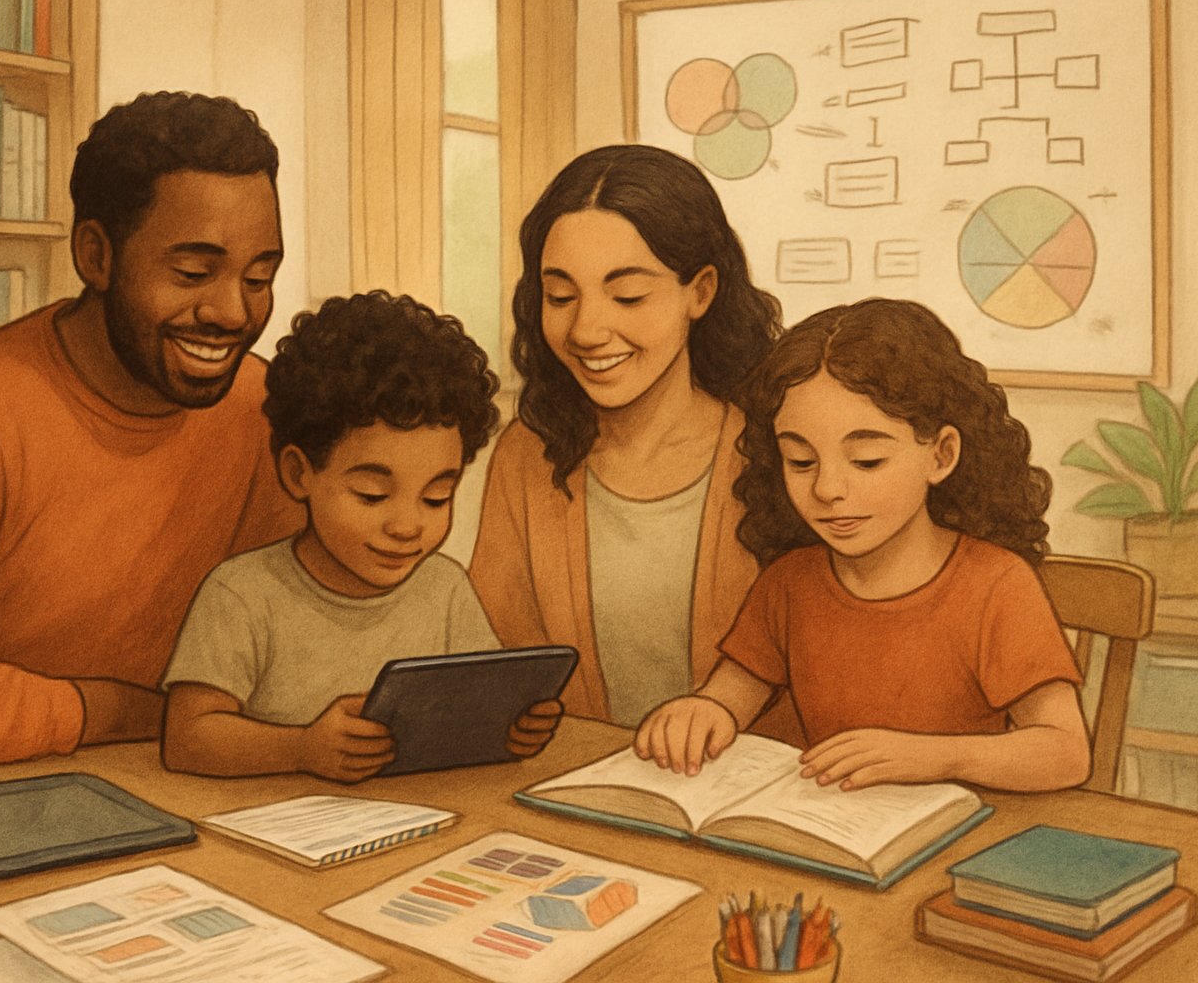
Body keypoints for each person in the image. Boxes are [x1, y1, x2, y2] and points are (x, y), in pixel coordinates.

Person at [0, 93, 305, 766]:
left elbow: (307, 621)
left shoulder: (264, 408)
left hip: (201, 786)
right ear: (96, 256)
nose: (233, 312)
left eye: (259, 277)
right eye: (194, 273)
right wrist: (118, 712)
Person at [635, 298, 1091, 792]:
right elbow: (728, 698)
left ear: (941, 455)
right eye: (801, 461)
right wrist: (701, 712)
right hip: (833, 835)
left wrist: (935, 757)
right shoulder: (791, 582)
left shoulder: (995, 584)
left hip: (955, 838)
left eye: (867, 460)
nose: (828, 489)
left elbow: (1065, 752)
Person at [160, 291, 561, 782]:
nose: (407, 526)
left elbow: (480, 706)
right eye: (372, 495)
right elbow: (187, 738)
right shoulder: (242, 595)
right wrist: (301, 749)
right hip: (276, 834)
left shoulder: (445, 589)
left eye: (436, 497)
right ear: (298, 474)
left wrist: (512, 727)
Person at [470, 144, 783, 729]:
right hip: (574, 787)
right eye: (560, 296)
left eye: (628, 295)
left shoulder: (778, 453)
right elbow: (498, 658)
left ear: (701, 291)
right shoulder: (527, 456)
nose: (587, 329)